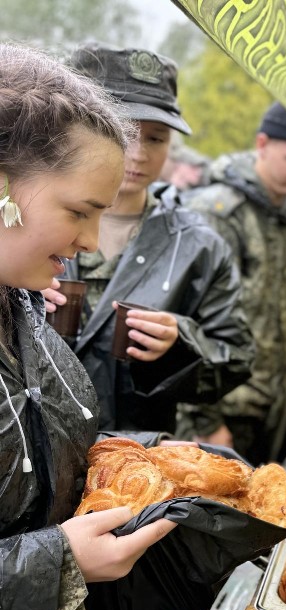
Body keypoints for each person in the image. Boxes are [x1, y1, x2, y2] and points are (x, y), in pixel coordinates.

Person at [0, 44, 181, 610]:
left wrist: (152, 464)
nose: (95, 243)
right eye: (80, 212)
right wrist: (58, 565)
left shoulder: (24, 308)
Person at [40, 42, 254, 438]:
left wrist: (179, 343)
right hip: (29, 454)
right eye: (123, 130)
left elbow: (237, 358)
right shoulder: (23, 220)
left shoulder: (197, 246)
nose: (138, 153)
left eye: (156, 138)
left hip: (133, 461)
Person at [180, 102, 286, 465]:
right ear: (262, 144)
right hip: (221, 414)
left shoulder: (285, 220)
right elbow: (187, 321)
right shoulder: (219, 214)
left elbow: (272, 316)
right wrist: (206, 420)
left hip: (267, 409)